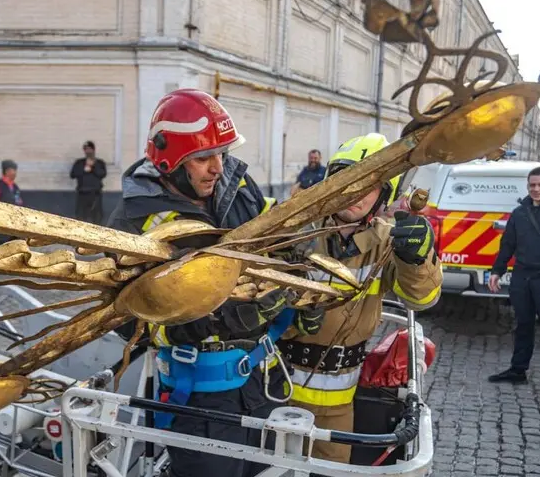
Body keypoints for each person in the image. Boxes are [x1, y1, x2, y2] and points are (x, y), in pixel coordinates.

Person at [107, 89, 321, 477]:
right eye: (204, 158)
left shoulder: (238, 187)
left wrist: (295, 271)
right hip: (200, 397)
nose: (218, 167)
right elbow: (125, 320)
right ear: (170, 162)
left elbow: (273, 243)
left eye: (221, 154)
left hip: (261, 383)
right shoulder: (133, 225)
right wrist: (214, 321)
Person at [275, 133, 443, 465]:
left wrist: (416, 260)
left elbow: (422, 298)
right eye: (350, 180)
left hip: (339, 402)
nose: (357, 194)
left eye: (371, 185)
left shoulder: (388, 241)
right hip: (277, 389)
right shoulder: (292, 232)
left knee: (332, 471)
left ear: (384, 194)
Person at [487, 166, 540, 384]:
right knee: (523, 325)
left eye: (539, 185)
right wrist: (497, 271)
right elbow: (507, 244)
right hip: (522, 278)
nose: (536, 189)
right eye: (532, 185)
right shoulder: (519, 213)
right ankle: (518, 371)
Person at [70, 141, 107, 224]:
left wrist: (93, 167)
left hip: (95, 194)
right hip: (82, 193)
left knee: (97, 217)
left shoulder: (99, 163)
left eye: (90, 149)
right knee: (80, 216)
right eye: (86, 149)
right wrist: (84, 168)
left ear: (93, 150)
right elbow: (73, 174)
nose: (88, 151)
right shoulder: (79, 163)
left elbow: (102, 174)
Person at [0, 159, 23, 244]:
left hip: (15, 219)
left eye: (15, 170)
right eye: (12, 170)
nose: (14, 173)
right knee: (4, 243)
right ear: (6, 171)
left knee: (17, 242)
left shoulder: (15, 187)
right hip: (3, 218)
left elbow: (19, 201)